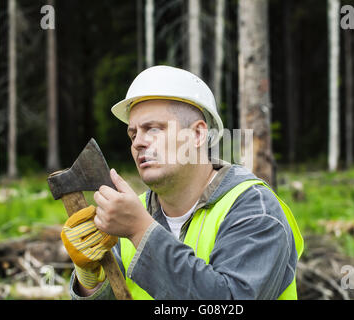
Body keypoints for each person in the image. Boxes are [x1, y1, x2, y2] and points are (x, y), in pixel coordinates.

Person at [61, 65, 303, 300]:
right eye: (133, 134)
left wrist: (140, 231)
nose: (138, 143)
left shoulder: (255, 210)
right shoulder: (131, 213)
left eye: (153, 129)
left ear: (197, 134)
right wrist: (89, 281)